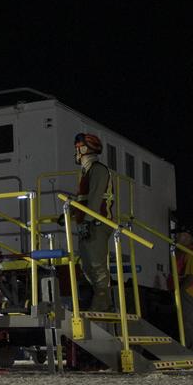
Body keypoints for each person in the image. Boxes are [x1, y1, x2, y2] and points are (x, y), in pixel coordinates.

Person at [72, 131, 115, 312]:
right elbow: (83, 199)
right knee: (87, 263)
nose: (76, 152)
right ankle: (100, 300)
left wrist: (88, 221)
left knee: (96, 263)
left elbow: (95, 199)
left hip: (97, 224)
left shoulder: (98, 169)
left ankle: (103, 302)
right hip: (88, 223)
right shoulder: (86, 171)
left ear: (84, 148)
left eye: (78, 148)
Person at [171, 229, 193, 355]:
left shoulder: (190, 253)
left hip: (189, 292)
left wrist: (180, 290)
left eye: (181, 234)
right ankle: (189, 352)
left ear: (190, 238)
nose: (177, 236)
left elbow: (192, 275)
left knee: (189, 324)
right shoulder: (185, 252)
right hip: (189, 291)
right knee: (186, 324)